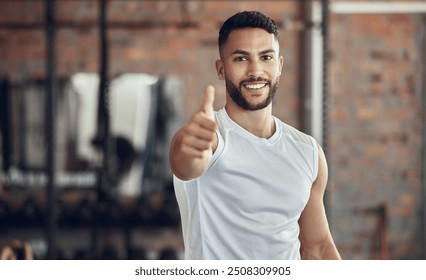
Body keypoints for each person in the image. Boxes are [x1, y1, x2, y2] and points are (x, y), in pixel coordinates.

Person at [169, 11, 340, 260]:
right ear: (221, 69)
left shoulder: (307, 151)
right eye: (240, 59)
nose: (255, 70)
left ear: (279, 65)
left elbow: (318, 247)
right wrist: (190, 147)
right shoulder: (210, 139)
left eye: (266, 57)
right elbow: (186, 164)